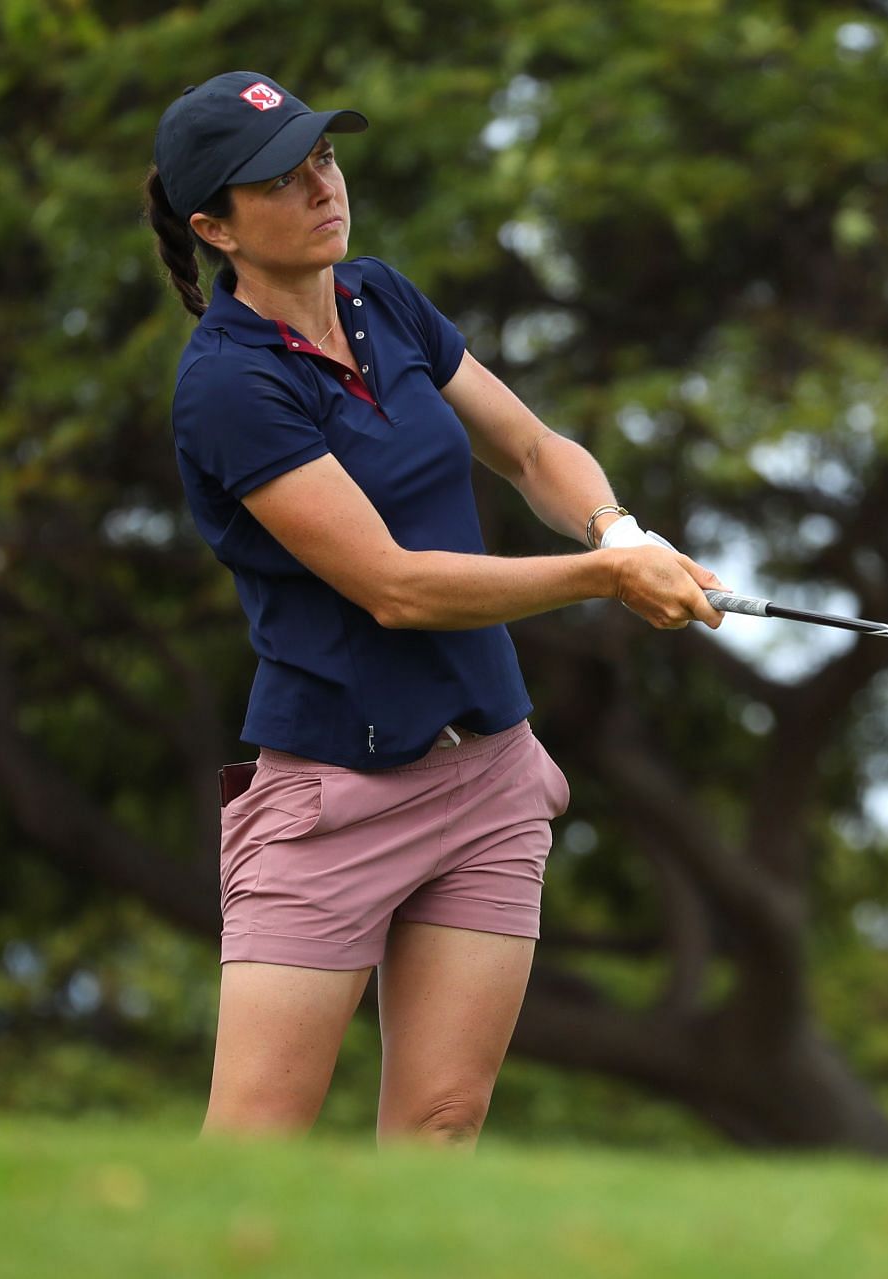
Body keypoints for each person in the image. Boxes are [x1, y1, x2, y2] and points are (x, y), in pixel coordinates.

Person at [142, 72, 725, 1150]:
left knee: (442, 1129)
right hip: (334, 797)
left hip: (491, 776)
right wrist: (602, 580)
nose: (322, 185)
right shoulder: (227, 383)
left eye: (323, 156)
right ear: (215, 226)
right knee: (252, 1147)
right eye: (280, 178)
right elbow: (394, 585)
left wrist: (617, 531)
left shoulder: (381, 298)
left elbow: (532, 449)